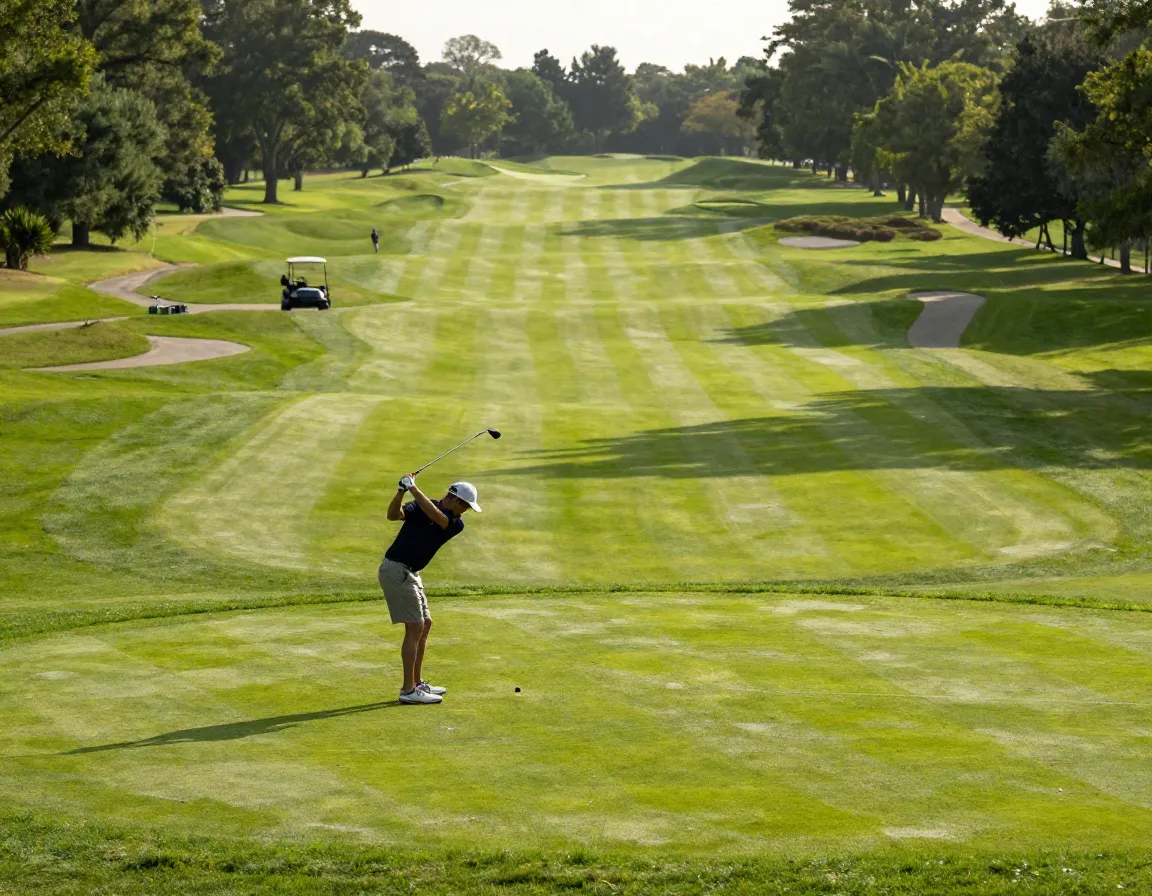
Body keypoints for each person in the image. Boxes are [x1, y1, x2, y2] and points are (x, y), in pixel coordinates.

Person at [379, 476, 482, 705]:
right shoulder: (420, 506)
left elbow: (436, 516)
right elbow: (393, 515)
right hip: (396, 570)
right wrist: (401, 491)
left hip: (411, 573)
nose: (466, 511)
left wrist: (413, 488)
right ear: (454, 499)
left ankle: (416, 683)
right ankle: (408, 690)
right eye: (465, 505)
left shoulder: (455, 523)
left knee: (425, 624)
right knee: (415, 626)